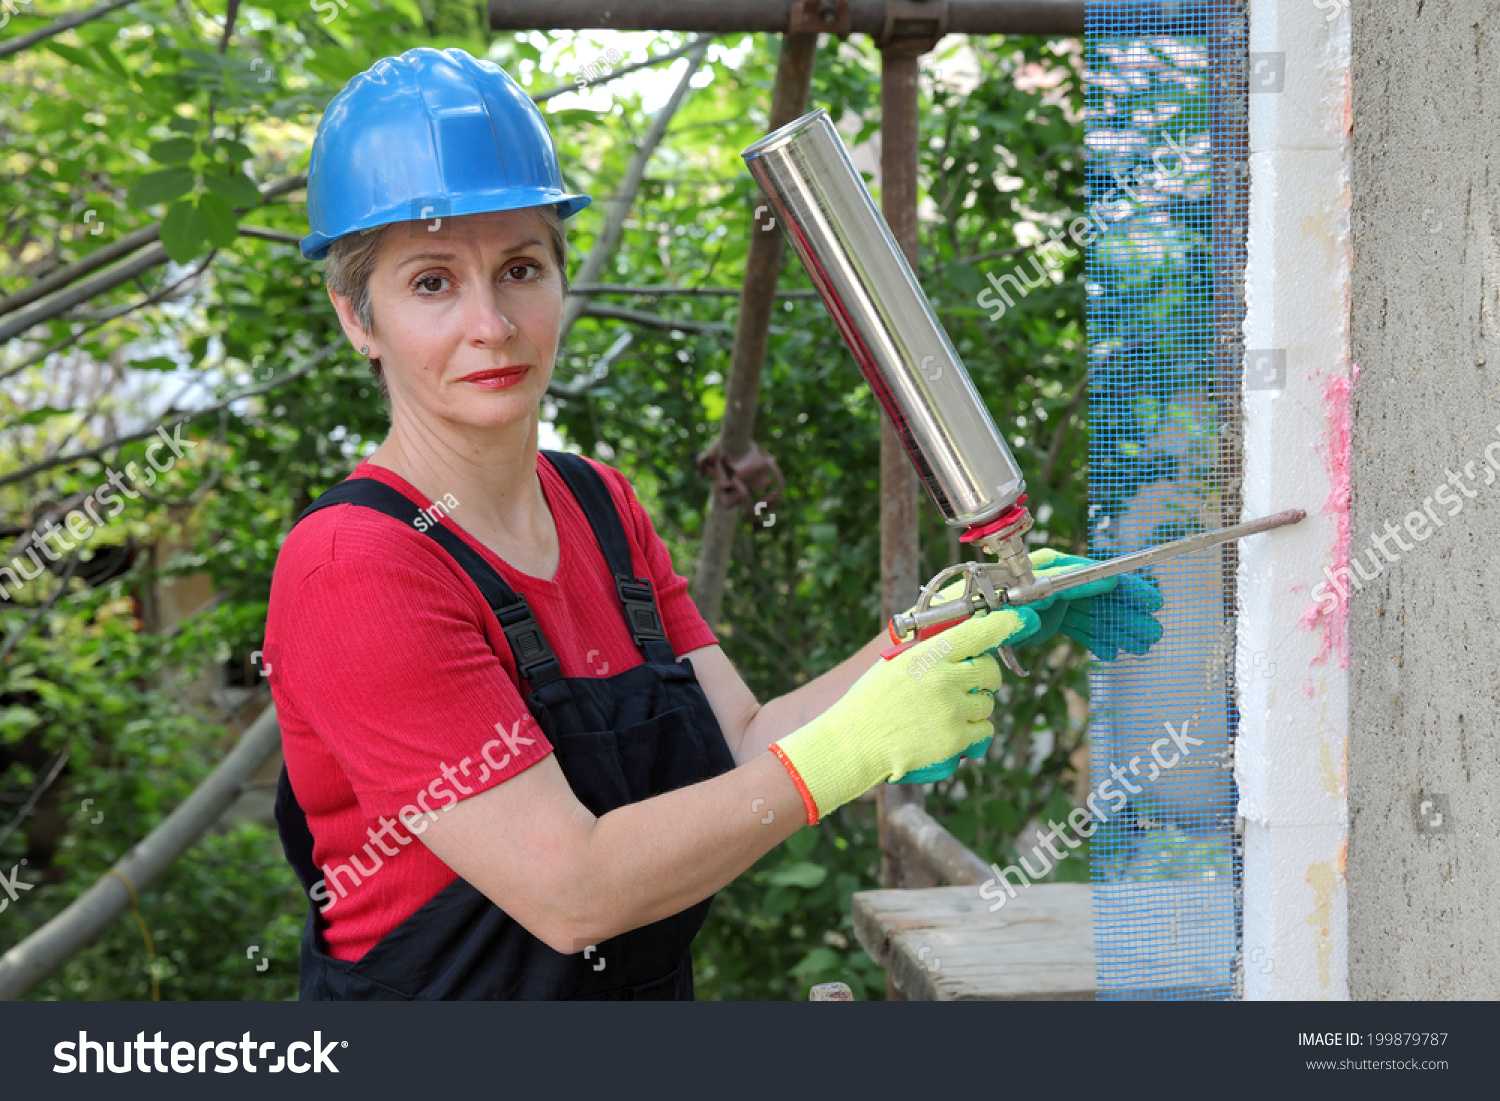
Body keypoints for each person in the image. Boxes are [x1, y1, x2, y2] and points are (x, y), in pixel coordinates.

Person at [265, 46, 1164, 1001]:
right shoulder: (356, 567)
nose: (491, 322)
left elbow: (744, 738)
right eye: (432, 282)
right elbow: (571, 888)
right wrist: (845, 755)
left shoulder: (600, 508)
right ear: (358, 318)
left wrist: (940, 626)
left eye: (521, 267)